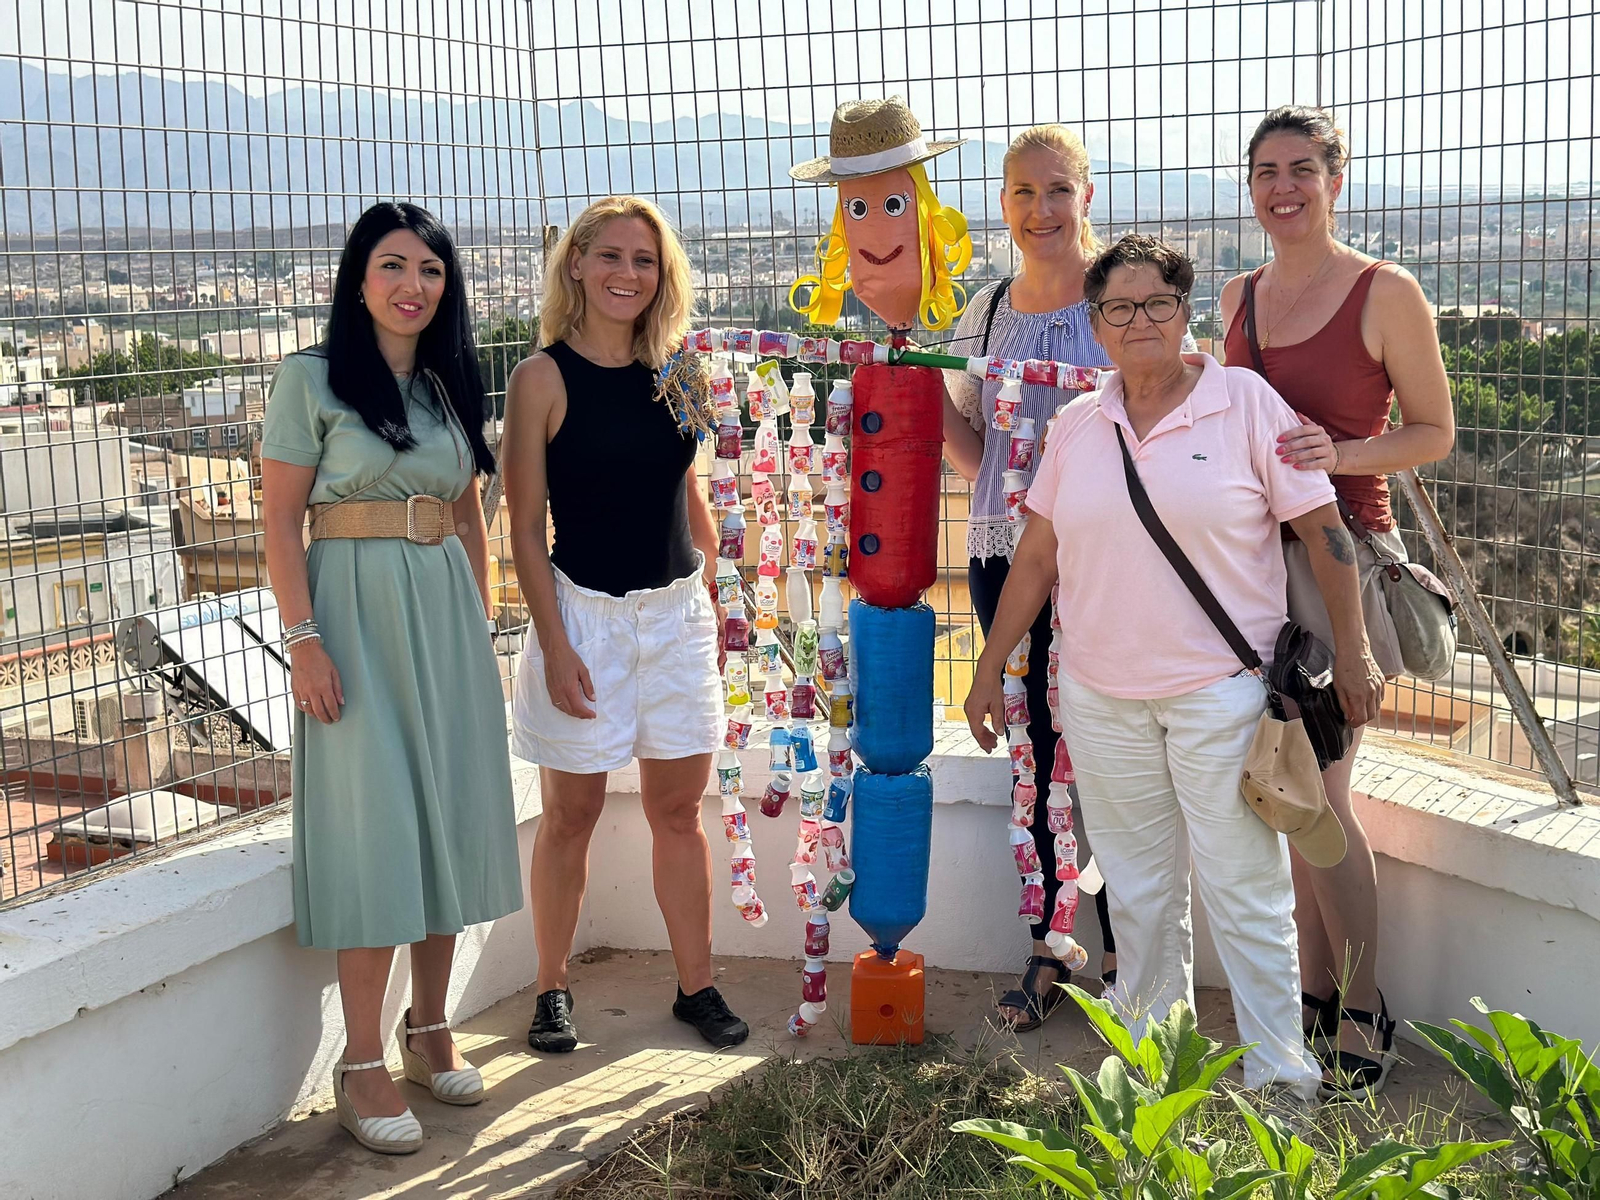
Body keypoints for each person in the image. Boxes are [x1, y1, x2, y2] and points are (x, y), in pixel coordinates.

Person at [965, 233, 1383, 1098]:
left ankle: (1280, 1077)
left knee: (1245, 890)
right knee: (1143, 891)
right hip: (1099, 695)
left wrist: (1356, 652)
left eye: (1157, 303)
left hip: (1221, 697)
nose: (1138, 321)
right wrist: (987, 668)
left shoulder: (1246, 404)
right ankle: (1156, 1068)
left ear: (1184, 313)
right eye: (1118, 307)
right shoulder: (1081, 423)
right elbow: (1036, 560)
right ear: (1097, 323)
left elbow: (1323, 531)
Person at [261, 202, 523, 1155]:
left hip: (444, 620)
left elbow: (467, 511)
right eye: (393, 265)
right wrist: (304, 640)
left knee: (445, 820)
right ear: (358, 277)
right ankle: (361, 1060)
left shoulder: (452, 386)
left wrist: (482, 617)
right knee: (375, 831)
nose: (414, 286)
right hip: (353, 620)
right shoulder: (311, 379)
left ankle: (430, 1029)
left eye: (432, 271)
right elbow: (280, 523)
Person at [1220, 105, 1455, 1100]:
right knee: (1286, 797)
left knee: (1321, 795)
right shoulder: (1236, 294)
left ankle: (1362, 1007)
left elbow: (1434, 432)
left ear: (1335, 180)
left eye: (1302, 169)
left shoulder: (1383, 291)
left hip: (1335, 567)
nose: (1284, 186)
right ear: (1252, 187)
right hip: (1243, 570)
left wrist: (1343, 453)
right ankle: (1316, 999)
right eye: (1267, 171)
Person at [501, 195, 748, 1054]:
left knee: (679, 812)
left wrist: (713, 593)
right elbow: (524, 530)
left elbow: (685, 488)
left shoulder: (678, 370)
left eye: (645, 261)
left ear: (662, 275)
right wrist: (558, 646)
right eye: (610, 256)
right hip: (586, 617)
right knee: (569, 815)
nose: (626, 274)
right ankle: (551, 991)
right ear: (576, 264)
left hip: (675, 617)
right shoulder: (540, 379)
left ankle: (697, 986)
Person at [940, 124, 1119, 1030]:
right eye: (1021, 192)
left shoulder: (1121, 301)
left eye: (1056, 189)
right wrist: (999, 480)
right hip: (1004, 559)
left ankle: (1127, 956)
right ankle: (1050, 949)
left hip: (1108, 566)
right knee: (1038, 752)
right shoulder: (986, 311)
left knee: (1122, 752)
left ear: (1086, 195)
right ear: (1003, 205)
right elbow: (970, 435)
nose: (1040, 210)